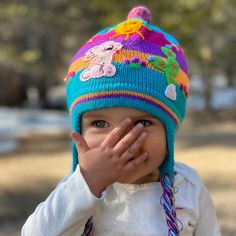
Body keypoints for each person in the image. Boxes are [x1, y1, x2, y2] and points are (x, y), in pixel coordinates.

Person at [21, 6, 221, 236]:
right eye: (100, 124)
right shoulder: (79, 189)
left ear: (169, 131)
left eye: (142, 123)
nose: (122, 139)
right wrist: (88, 183)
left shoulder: (188, 188)